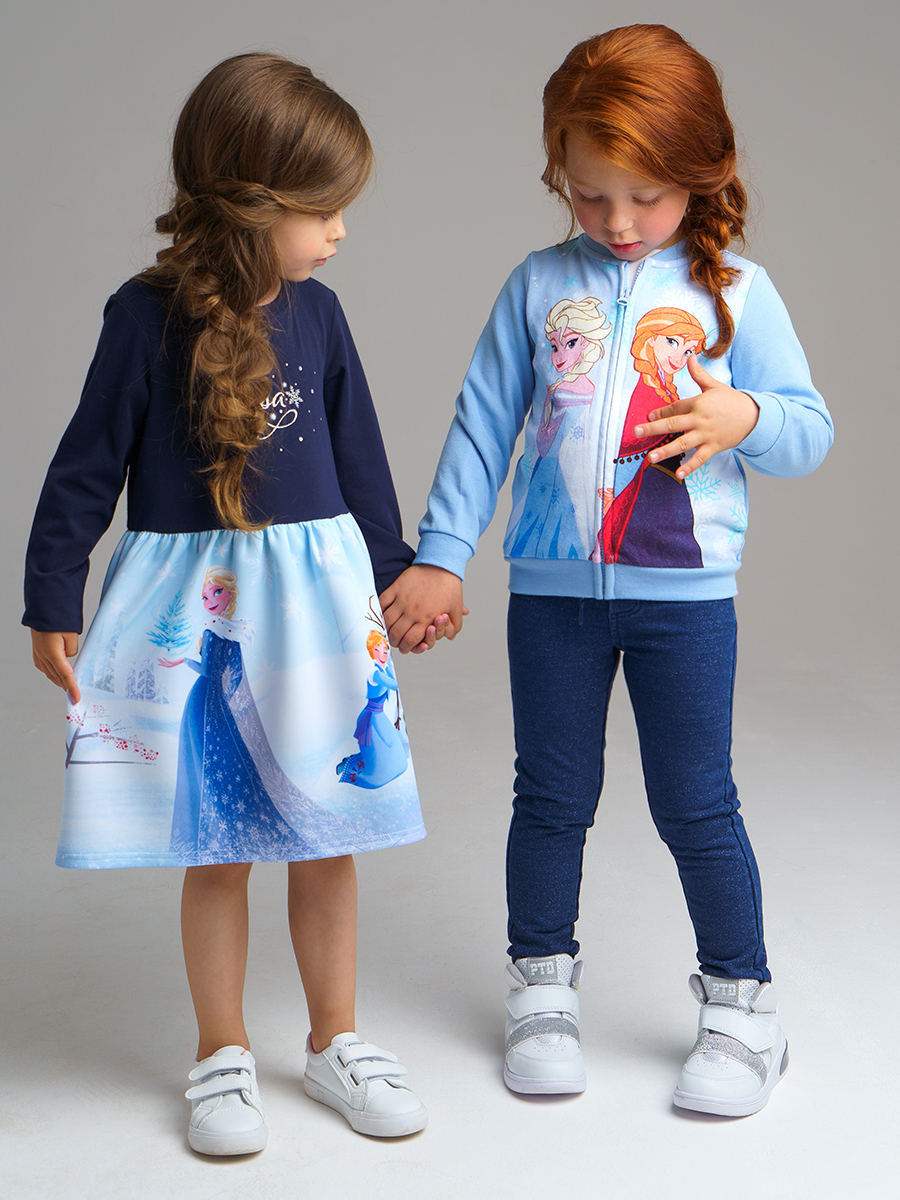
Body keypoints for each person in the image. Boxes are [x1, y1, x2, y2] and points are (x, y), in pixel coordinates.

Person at [380, 25, 832, 1117]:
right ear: (559, 176)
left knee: (696, 801)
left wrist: (746, 415)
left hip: (686, 602)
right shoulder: (537, 286)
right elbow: (483, 425)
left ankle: (743, 1009)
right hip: (552, 599)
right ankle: (541, 990)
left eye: (645, 196)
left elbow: (809, 432)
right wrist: (441, 556)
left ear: (700, 172)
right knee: (551, 796)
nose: (618, 223)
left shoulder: (740, 293)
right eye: (589, 196)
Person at [24, 53, 438, 1154]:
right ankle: (221, 1051)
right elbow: (85, 466)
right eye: (324, 210)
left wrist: (396, 572)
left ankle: (336, 1039)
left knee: (327, 835)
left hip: (315, 611)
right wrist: (51, 592)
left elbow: (361, 459)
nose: (340, 232)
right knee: (216, 845)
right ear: (257, 204)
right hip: (196, 614)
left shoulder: (321, 315)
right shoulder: (142, 316)